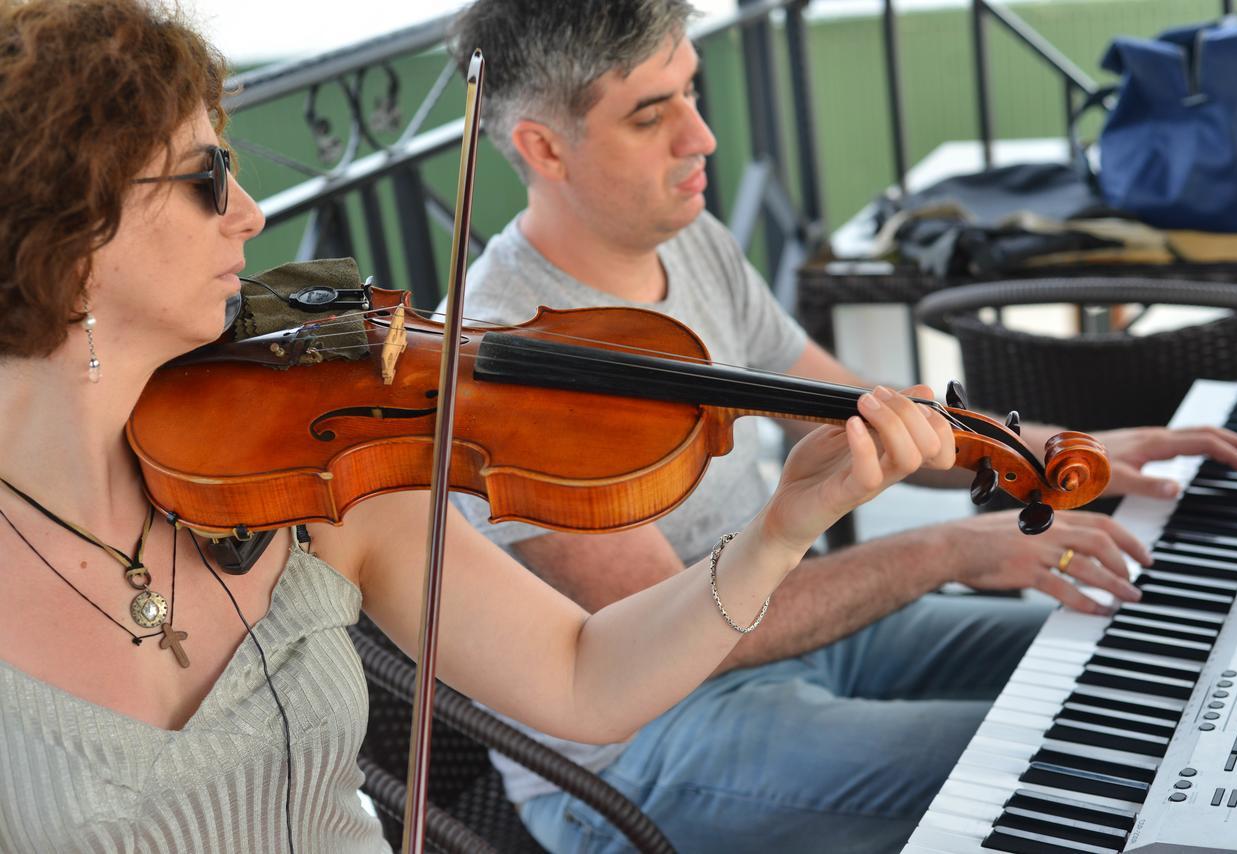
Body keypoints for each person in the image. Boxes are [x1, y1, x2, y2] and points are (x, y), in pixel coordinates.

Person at [0, 2, 960, 852]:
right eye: (206, 177)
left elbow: (586, 678)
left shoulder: (312, 458)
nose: (248, 215)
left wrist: (784, 526)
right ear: (69, 229)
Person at [446, 1, 1237, 851]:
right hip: (640, 742)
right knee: (1088, 762)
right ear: (543, 147)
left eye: (691, 91)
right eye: (652, 115)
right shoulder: (503, 364)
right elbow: (668, 639)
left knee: (1141, 674)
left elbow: (855, 403)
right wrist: (948, 552)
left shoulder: (686, 242)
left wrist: (1047, 447)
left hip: (795, 629)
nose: (703, 138)